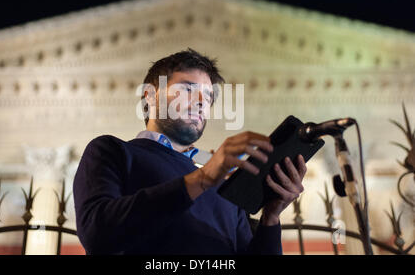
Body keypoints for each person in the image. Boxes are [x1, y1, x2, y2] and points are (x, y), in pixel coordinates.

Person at [73, 48, 307, 255]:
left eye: (208, 97)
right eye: (187, 89)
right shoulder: (111, 151)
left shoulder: (223, 186)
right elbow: (97, 234)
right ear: (150, 95)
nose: (200, 102)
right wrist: (203, 178)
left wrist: (271, 218)